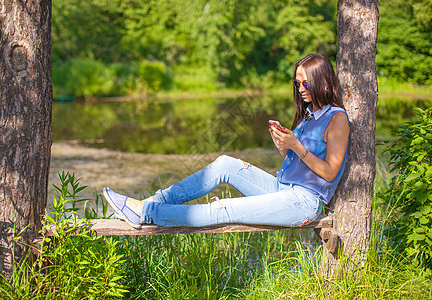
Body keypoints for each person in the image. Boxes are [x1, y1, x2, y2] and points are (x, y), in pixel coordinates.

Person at [102, 53, 350, 229]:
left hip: (304, 202)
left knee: (224, 209)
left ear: (323, 81)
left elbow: (329, 173)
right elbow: (302, 163)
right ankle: (152, 201)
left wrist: (296, 146)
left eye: (306, 82)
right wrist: (286, 149)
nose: (300, 88)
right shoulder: (309, 115)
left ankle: (145, 212)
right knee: (225, 164)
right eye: (297, 82)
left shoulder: (336, 118)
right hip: (282, 188)